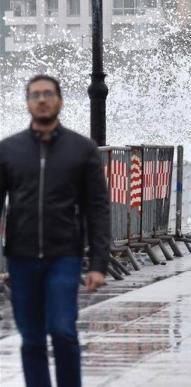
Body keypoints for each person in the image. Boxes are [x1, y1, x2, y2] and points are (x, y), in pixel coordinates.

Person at [2, 75, 110, 387]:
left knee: (63, 331)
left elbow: (97, 208)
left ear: (60, 100)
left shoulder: (81, 149)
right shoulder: (9, 150)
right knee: (32, 339)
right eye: (35, 95)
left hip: (64, 256)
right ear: (27, 103)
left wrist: (99, 263)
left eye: (48, 94)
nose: (42, 99)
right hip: (21, 259)